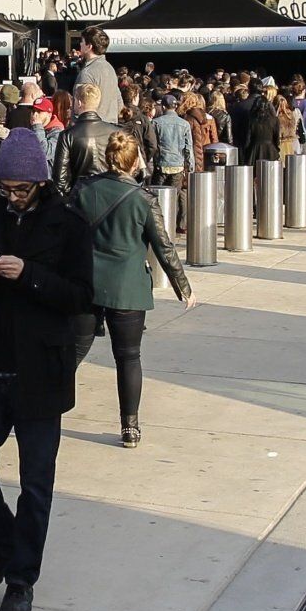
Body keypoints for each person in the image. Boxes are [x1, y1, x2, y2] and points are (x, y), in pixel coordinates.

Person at [0, 126, 93, 611]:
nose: (11, 197)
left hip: (40, 367)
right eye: (5, 188)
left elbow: (80, 296)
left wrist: (28, 275)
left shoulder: (69, 223)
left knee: (36, 480)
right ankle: (5, 544)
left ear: (41, 182)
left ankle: (21, 577)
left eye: (21, 189)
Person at [69, 131, 193, 447]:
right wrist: (183, 287)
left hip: (87, 283)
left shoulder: (84, 190)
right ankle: (130, 427)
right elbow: (163, 245)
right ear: (135, 160)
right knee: (128, 357)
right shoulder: (143, 199)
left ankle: (43, 407)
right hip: (127, 286)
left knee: (72, 351)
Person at [53, 82, 120, 194]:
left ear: (79, 103)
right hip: (110, 196)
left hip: (80, 199)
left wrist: (72, 198)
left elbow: (60, 179)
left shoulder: (68, 135)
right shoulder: (115, 132)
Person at [70, 28, 123, 122]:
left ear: (89, 46)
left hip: (89, 131)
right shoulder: (110, 69)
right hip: (110, 129)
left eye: (82, 41)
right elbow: (119, 104)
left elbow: (79, 108)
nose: (80, 44)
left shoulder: (87, 73)